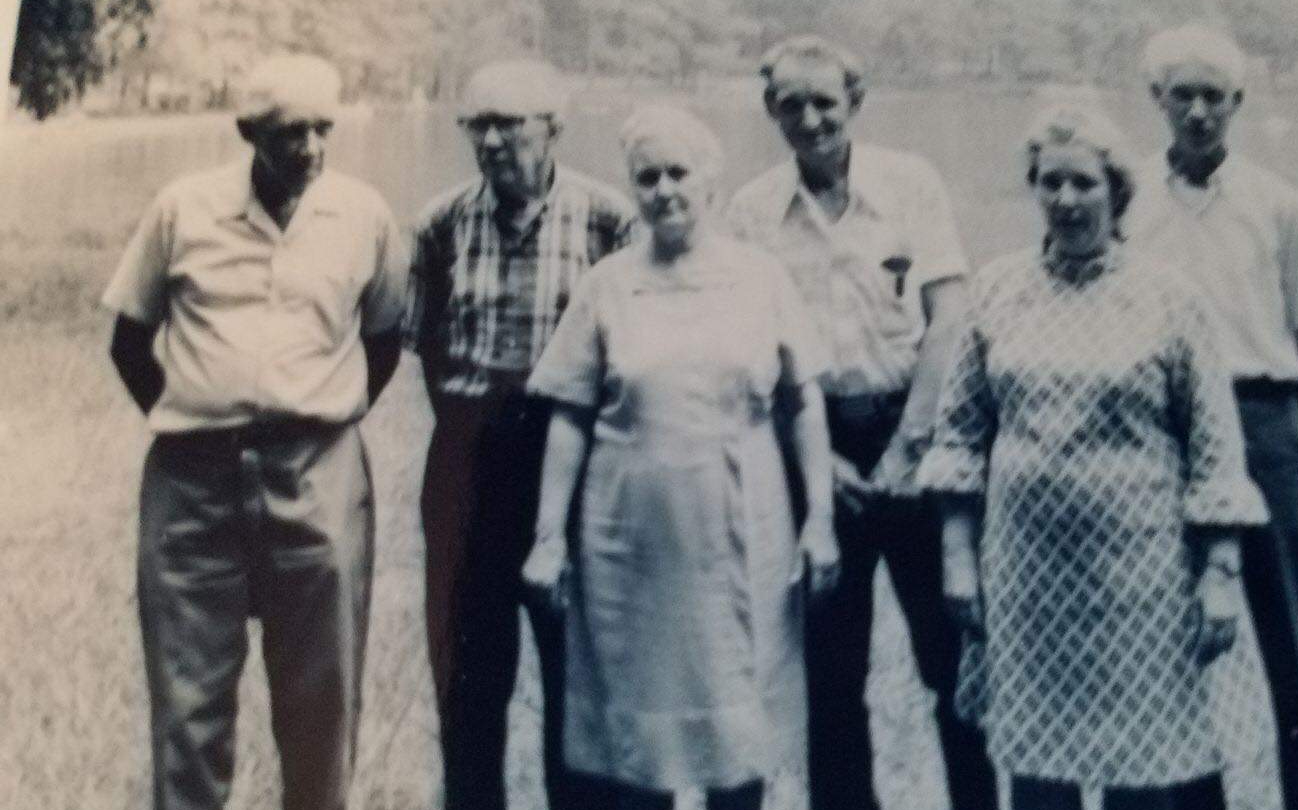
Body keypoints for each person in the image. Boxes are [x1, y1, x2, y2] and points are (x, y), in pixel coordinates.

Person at [914, 104, 1271, 810]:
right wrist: (957, 557)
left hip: (1140, 580)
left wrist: (1220, 571)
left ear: (1117, 191)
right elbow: (958, 433)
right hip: (1025, 579)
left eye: (1084, 183)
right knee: (1038, 768)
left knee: (1143, 768)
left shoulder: (1170, 298)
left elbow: (1214, 446)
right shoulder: (997, 290)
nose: (1067, 200)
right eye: (1051, 183)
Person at [102, 54, 408, 810]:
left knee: (321, 703)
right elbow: (130, 342)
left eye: (321, 130)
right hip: (192, 485)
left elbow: (383, 340)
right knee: (188, 705)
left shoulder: (363, 216)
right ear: (248, 133)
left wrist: (317, 415)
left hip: (317, 476)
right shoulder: (184, 209)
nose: (309, 148)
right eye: (289, 133)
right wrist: (200, 418)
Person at [520, 104, 840, 810]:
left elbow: (803, 402)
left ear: (711, 181)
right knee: (638, 746)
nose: (663, 190)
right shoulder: (608, 284)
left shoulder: (760, 278)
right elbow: (569, 414)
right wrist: (547, 538)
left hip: (743, 530)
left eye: (678, 173)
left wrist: (819, 520)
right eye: (647, 178)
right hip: (628, 540)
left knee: (739, 730)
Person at [726, 34, 997, 810]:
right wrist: (812, 464)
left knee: (952, 659)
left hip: (917, 435)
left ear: (856, 101)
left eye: (826, 103)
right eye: (792, 105)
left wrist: (911, 446)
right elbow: (752, 352)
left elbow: (950, 320)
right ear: (770, 109)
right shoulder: (750, 212)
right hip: (817, 451)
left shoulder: (911, 184)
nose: (811, 120)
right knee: (831, 673)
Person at [403, 59, 634, 810]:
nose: (493, 141)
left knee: (579, 674)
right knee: (469, 677)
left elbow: (629, 350)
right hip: (468, 462)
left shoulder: (609, 220)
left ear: (553, 129)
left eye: (509, 124)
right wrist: (473, 425)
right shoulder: (440, 224)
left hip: (572, 460)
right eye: (479, 125)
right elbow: (428, 343)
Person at [1127, 24, 1298, 810]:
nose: (1197, 112)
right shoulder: (1128, 199)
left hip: (1264, 422)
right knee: (1160, 650)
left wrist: (1265, 423)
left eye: (1213, 96)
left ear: (1238, 102)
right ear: (1157, 99)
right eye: (1182, 95)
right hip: (1159, 433)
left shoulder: (1278, 204)